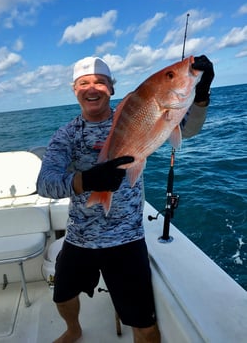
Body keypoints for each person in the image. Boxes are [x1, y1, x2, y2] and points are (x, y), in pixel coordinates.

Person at [36, 55, 214, 343]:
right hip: (80, 236)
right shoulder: (66, 135)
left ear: (111, 89)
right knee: (63, 295)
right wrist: (87, 181)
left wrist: (201, 95)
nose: (92, 88)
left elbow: (187, 128)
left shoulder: (137, 109)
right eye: (84, 83)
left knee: (142, 322)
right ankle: (73, 329)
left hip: (126, 238)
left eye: (100, 82)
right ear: (75, 90)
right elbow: (45, 184)